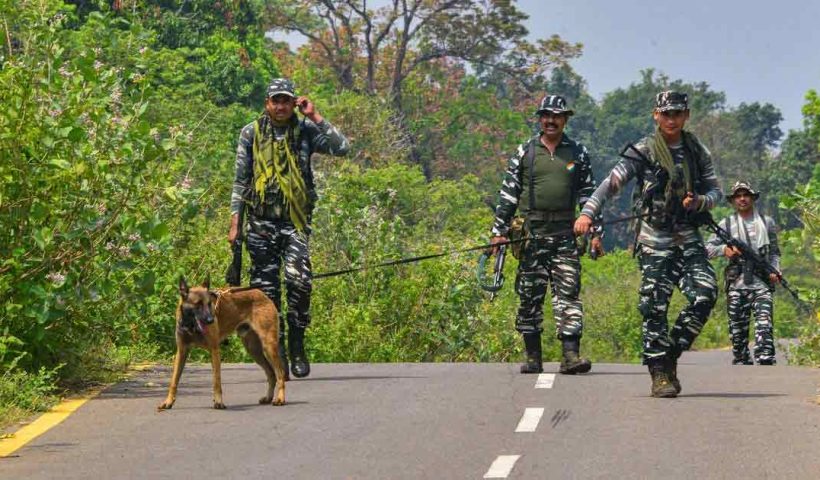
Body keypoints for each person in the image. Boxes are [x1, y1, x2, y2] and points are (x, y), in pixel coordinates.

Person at [574, 91, 722, 398]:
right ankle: (659, 374)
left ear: (686, 116)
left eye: (677, 113)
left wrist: (701, 202)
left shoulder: (696, 150)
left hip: (688, 236)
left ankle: (669, 355)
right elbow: (610, 184)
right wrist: (588, 213)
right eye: (666, 113)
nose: (671, 119)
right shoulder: (644, 150)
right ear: (656, 115)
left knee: (705, 294)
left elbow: (716, 191)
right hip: (654, 239)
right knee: (655, 305)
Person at [229, 78, 349, 379]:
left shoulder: (305, 130)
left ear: (293, 102)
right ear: (267, 103)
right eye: (275, 100)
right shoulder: (250, 133)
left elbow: (342, 148)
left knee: (300, 282)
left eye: (286, 101)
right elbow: (240, 181)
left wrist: (315, 116)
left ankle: (297, 346)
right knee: (266, 294)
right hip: (260, 224)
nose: (280, 106)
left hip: (295, 223)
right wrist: (235, 224)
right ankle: (277, 351)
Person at [490, 95, 604, 375]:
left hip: (566, 235)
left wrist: (595, 231)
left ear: (565, 119)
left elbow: (589, 195)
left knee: (568, 295)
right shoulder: (525, 152)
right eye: (546, 116)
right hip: (532, 236)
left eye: (556, 116)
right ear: (540, 119)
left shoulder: (577, 153)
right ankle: (533, 358)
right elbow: (508, 195)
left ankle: (570, 356)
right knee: (529, 295)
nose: (550, 121)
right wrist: (498, 233)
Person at [706, 181, 781, 365]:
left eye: (745, 195)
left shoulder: (766, 222)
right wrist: (724, 249)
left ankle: (765, 359)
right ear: (733, 201)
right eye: (738, 196)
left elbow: (774, 252)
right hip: (737, 283)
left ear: (752, 198)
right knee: (738, 335)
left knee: (764, 325)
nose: (742, 199)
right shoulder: (726, 224)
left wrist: (775, 270)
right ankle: (742, 359)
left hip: (761, 283)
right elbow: (707, 248)